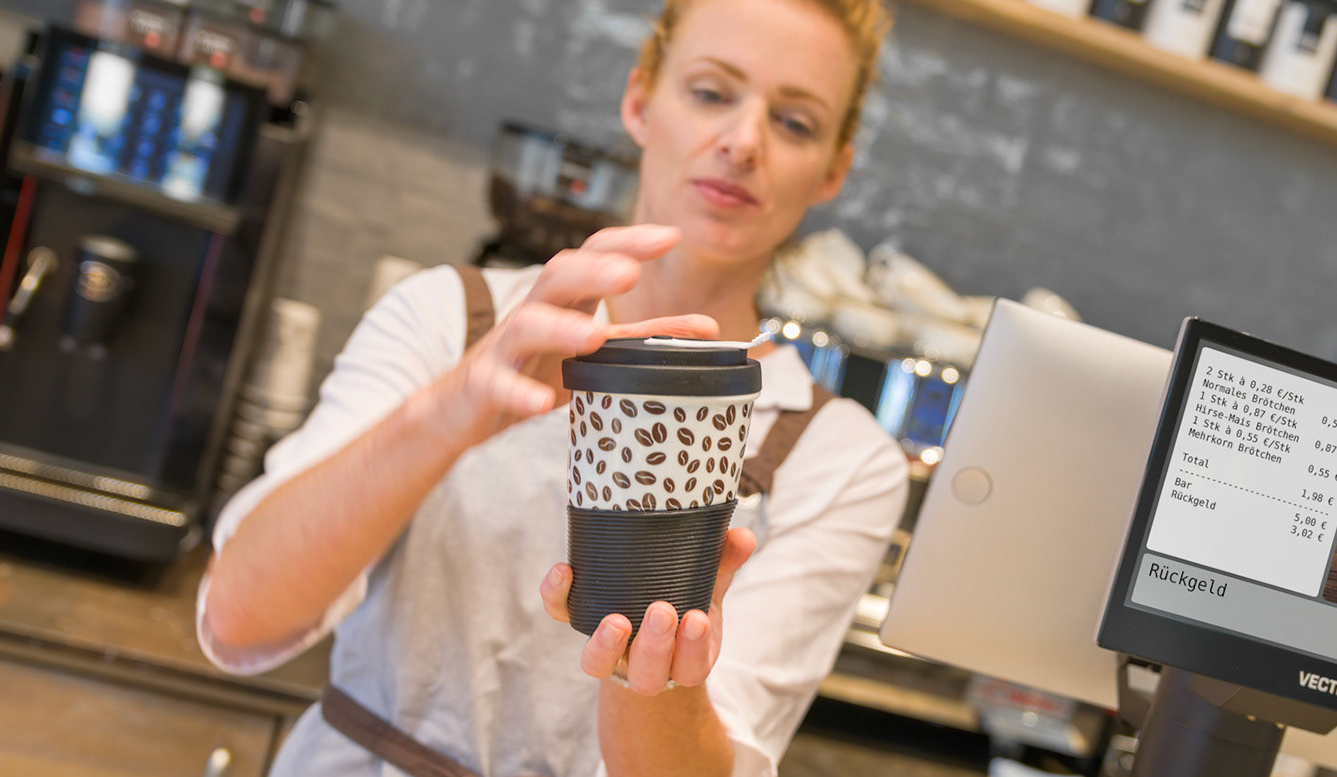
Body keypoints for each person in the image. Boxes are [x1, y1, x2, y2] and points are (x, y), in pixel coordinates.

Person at [197, 0, 906, 774]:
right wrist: (450, 412)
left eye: (795, 122)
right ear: (640, 101)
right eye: (710, 92)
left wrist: (651, 663)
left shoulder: (840, 458)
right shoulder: (453, 316)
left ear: (832, 169)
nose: (743, 141)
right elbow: (238, 618)